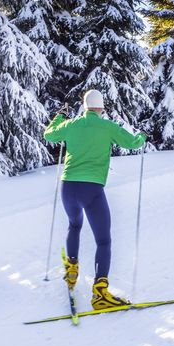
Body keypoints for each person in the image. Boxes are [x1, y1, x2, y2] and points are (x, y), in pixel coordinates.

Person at [43, 90, 147, 309]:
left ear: (85, 106)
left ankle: (71, 270)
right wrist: (142, 137)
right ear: (101, 108)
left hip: (68, 187)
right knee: (103, 240)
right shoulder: (107, 126)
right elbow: (132, 143)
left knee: (74, 225)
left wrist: (59, 117)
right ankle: (100, 293)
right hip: (91, 190)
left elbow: (49, 134)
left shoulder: (71, 125)